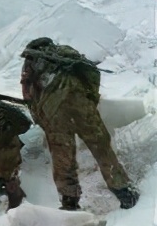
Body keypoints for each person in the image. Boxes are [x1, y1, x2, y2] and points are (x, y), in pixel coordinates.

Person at [20, 37, 138, 210]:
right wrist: (90, 100)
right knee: (102, 149)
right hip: (82, 105)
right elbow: (92, 74)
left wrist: (42, 120)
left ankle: (70, 202)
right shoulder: (66, 54)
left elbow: (28, 96)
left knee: (62, 157)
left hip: (55, 114)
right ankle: (124, 192)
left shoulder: (31, 64)